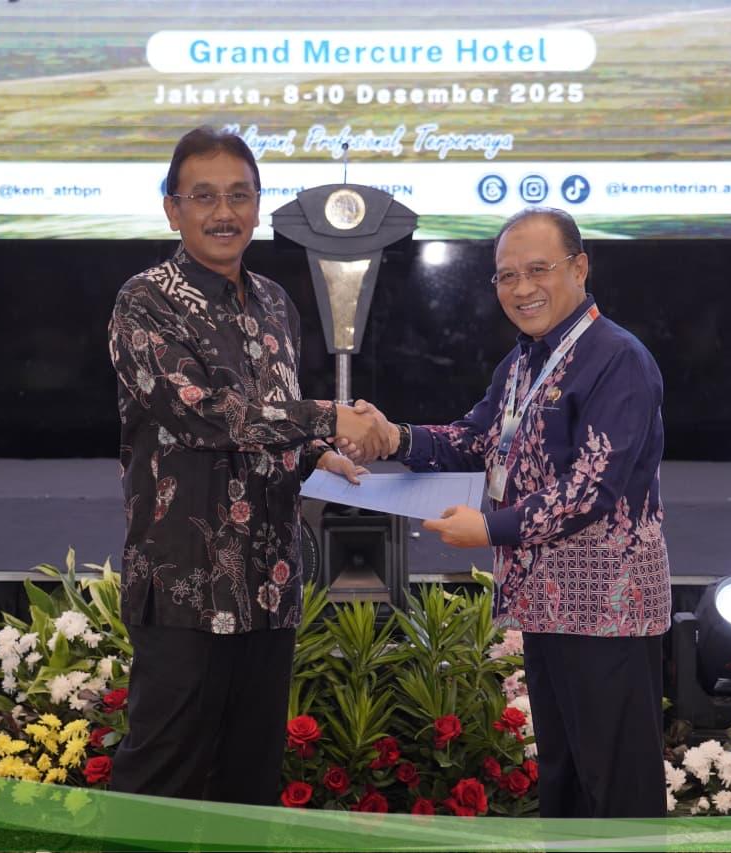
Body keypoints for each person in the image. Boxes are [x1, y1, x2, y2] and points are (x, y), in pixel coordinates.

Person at [342, 207, 672, 818]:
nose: (522, 289)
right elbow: (475, 439)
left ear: (580, 268)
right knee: (566, 784)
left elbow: (590, 487)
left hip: (608, 614)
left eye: (538, 270)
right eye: (506, 276)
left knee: (618, 792)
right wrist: (394, 438)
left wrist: (489, 528)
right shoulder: (524, 361)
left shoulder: (616, 358)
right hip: (546, 607)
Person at [106, 126, 385, 803]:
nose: (223, 212)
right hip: (185, 584)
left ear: (258, 207)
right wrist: (327, 418)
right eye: (203, 196)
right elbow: (203, 414)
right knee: (161, 782)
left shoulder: (276, 304)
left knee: (250, 786)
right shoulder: (145, 301)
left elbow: (270, 416)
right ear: (172, 209)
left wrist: (320, 454)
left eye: (239, 195)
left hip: (268, 586)